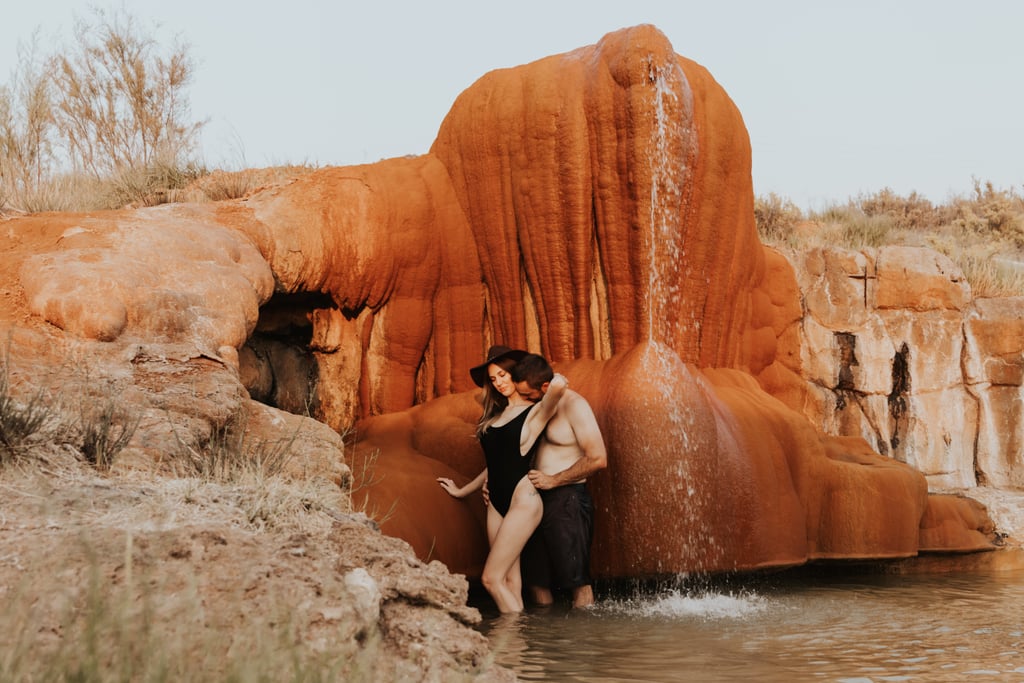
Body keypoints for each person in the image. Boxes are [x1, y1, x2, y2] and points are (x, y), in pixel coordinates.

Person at [437, 345, 567, 613]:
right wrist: (462, 491)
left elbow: (556, 389)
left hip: (524, 500)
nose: (498, 383)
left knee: (490, 579)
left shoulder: (534, 412)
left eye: (503, 375)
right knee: (509, 579)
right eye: (493, 379)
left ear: (515, 374)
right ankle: (515, 653)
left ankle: (506, 641)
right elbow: (494, 465)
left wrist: (549, 379)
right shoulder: (493, 417)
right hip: (495, 501)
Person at [513, 353, 607, 609]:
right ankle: (549, 644)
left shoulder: (574, 405)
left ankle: (582, 643)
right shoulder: (536, 409)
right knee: (536, 580)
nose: (524, 399)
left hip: (567, 500)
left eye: (528, 394)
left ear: (545, 387)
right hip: (534, 500)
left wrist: (555, 480)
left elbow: (598, 458)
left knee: (576, 579)